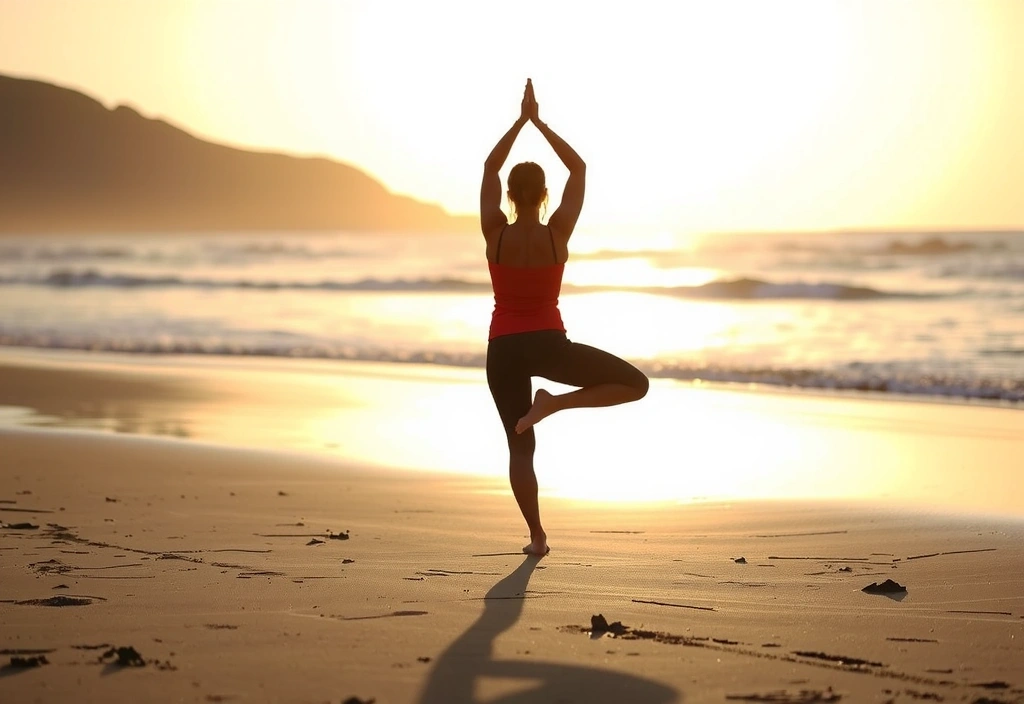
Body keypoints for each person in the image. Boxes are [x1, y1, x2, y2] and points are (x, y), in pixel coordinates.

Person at [481, 79, 649, 556]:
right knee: (636, 384)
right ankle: (555, 403)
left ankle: (536, 536)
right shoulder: (558, 233)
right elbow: (579, 167)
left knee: (520, 448)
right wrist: (541, 124)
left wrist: (518, 122)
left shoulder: (494, 234)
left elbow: (490, 166)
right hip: (551, 344)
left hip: (505, 350)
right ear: (545, 194)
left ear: (510, 196)